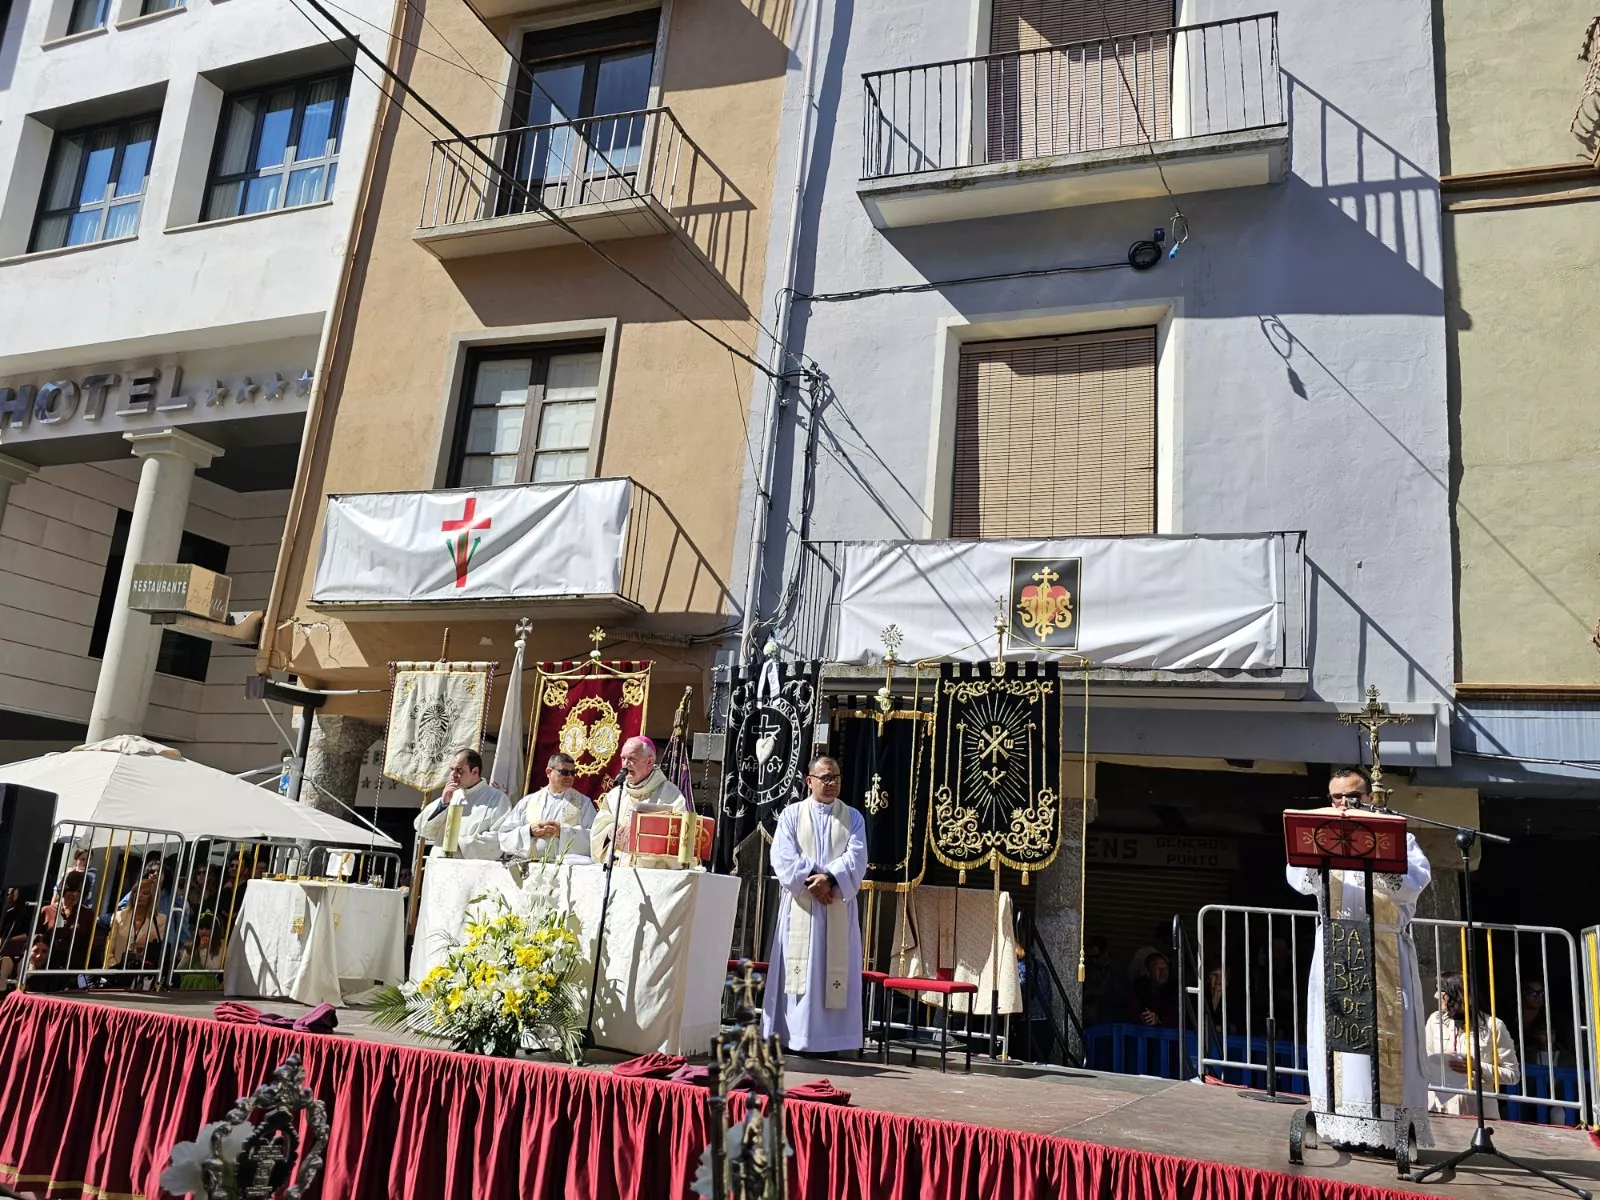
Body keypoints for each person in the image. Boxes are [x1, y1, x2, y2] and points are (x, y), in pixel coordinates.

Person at [1286, 767, 1433, 1144]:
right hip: (1337, 946)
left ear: (1371, 796)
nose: (1344, 804)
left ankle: (1390, 1132)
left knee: (1387, 1039)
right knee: (1339, 1043)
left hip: (1385, 953)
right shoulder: (1321, 837)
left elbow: (1412, 884)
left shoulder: (1402, 836)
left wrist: (1377, 852)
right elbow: (1299, 879)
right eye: (1337, 797)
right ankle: (1338, 1122)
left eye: (1353, 796)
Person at [761, 755, 868, 1054]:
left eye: (835, 777)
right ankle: (791, 1035)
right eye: (825, 777)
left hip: (836, 903)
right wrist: (815, 881)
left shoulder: (853, 817)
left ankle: (832, 1039)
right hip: (801, 907)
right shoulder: (792, 815)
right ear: (809, 781)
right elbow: (783, 856)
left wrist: (830, 879)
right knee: (799, 970)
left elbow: (857, 857)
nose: (832, 783)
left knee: (832, 969)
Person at [1424, 971, 1520, 1117]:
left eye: (1441, 991)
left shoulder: (1493, 1026)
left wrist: (1477, 1067)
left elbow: (1512, 1075)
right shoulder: (1434, 1021)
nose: (1436, 996)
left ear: (1457, 994)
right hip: (1440, 1110)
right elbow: (1426, 1062)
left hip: (1478, 1112)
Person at [589, 737, 688, 866]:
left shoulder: (670, 795)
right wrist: (610, 832)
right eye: (623, 758)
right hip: (616, 869)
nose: (625, 764)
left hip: (649, 873)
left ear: (649, 762)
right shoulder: (615, 794)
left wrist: (643, 833)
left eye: (631, 759)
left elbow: (677, 839)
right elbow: (597, 832)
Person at [494, 753, 597, 863]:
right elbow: (504, 836)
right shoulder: (528, 802)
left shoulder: (583, 803)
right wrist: (529, 831)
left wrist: (563, 832)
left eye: (573, 773)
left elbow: (595, 838)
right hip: (529, 867)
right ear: (549, 772)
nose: (569, 776)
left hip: (564, 870)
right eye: (564, 772)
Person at [414, 747, 510, 860]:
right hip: (440, 865)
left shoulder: (497, 799)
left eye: (459, 770)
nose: (453, 775)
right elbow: (423, 829)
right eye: (452, 769)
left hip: (469, 869)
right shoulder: (452, 796)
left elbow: (499, 838)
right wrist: (443, 803)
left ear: (475, 771)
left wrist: (461, 845)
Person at [103, 873, 168, 971]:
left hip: (143, 972)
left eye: (145, 893)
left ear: (152, 897)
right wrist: (115, 968)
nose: (139, 896)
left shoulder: (161, 920)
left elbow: (157, 953)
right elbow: (109, 949)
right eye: (136, 892)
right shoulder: (118, 916)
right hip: (115, 970)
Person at [1127, 951, 1180, 1028]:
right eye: (1159, 969)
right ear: (1148, 972)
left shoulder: (1175, 988)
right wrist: (1142, 1018)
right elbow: (1131, 1012)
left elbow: (1178, 1016)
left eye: (1166, 968)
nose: (1163, 972)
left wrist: (1159, 1019)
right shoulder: (1139, 986)